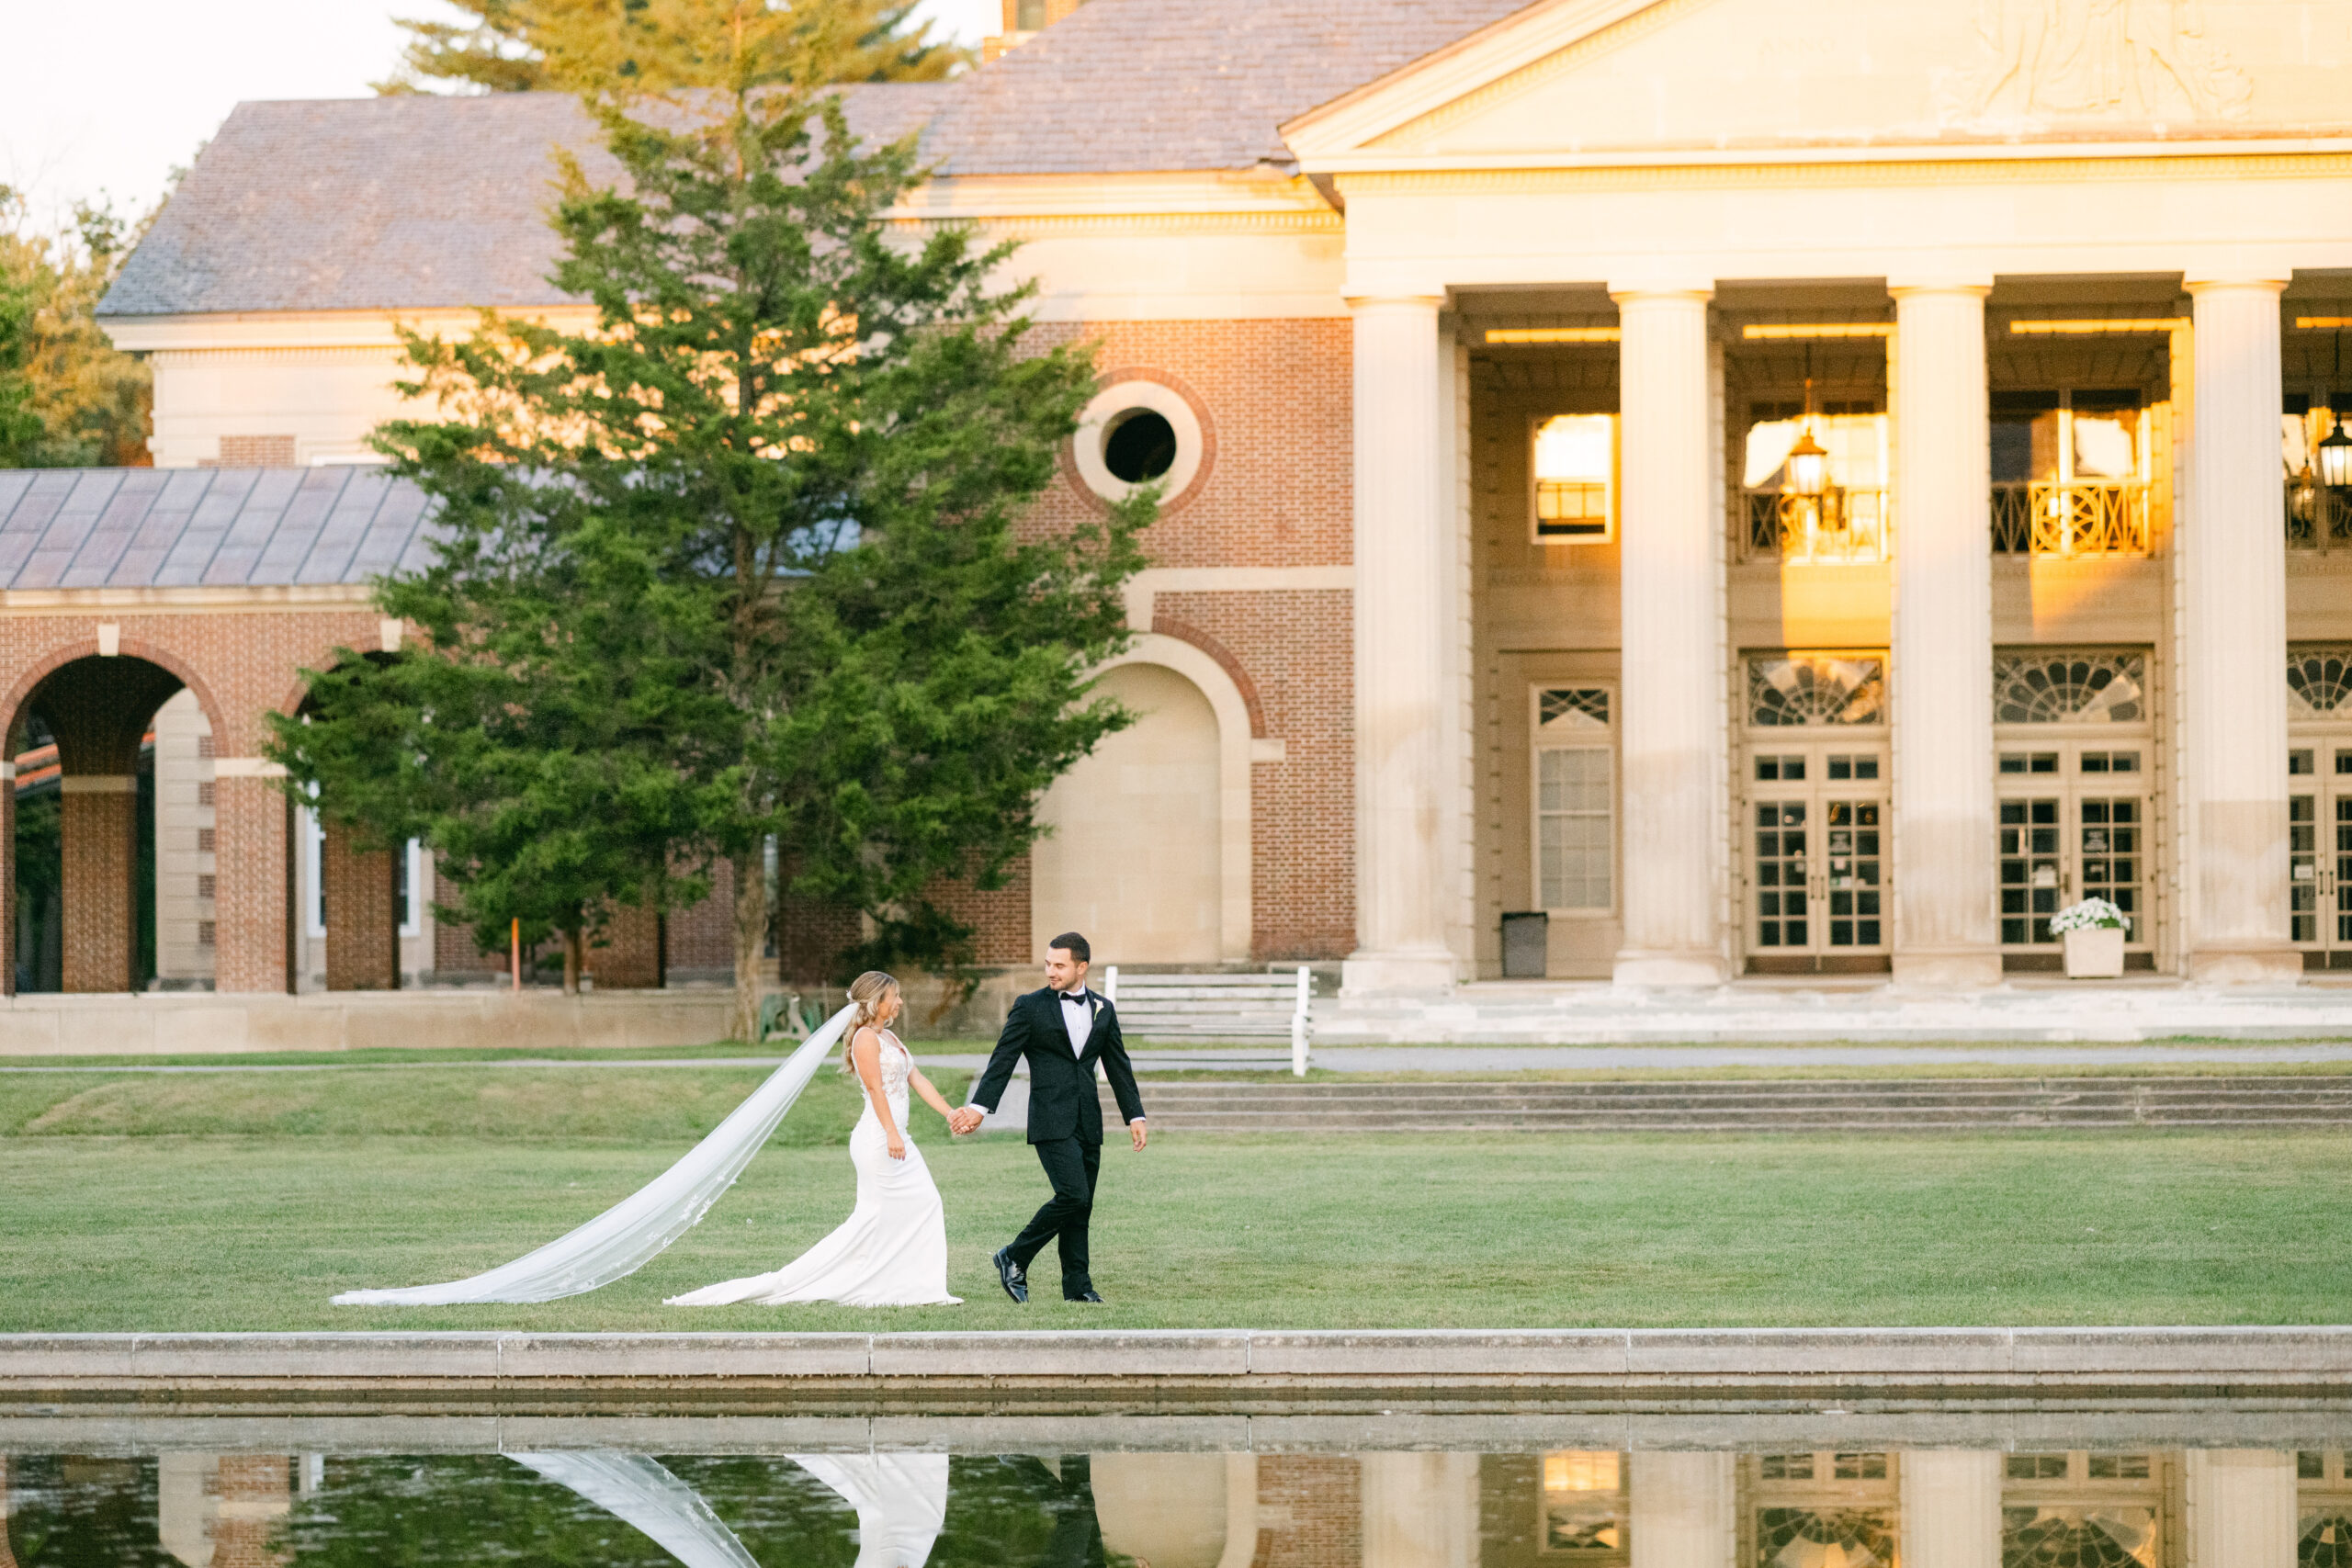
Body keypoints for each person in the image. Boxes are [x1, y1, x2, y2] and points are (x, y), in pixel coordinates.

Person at [667, 971, 964, 1308]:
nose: (899, 1002)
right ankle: (881, 1284)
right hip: (879, 1141)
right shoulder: (865, 1038)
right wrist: (892, 1133)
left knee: (924, 1204)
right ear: (876, 1002)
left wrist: (949, 1112)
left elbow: (917, 1078)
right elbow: (876, 1089)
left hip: (898, 1139)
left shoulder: (892, 1039)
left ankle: (918, 1286)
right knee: (876, 1217)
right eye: (894, 996)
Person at [951, 931, 1146, 1303]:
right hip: (1049, 1119)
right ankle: (1014, 1255)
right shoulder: (1029, 1006)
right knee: (1073, 1194)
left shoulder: (1103, 1008)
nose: (1051, 971)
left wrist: (1134, 1114)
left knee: (1082, 1204)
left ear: (1081, 967)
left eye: (1059, 965)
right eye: (1048, 964)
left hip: (1088, 1119)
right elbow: (1003, 1058)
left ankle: (1077, 1288)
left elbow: (1118, 1066)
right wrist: (978, 1109)